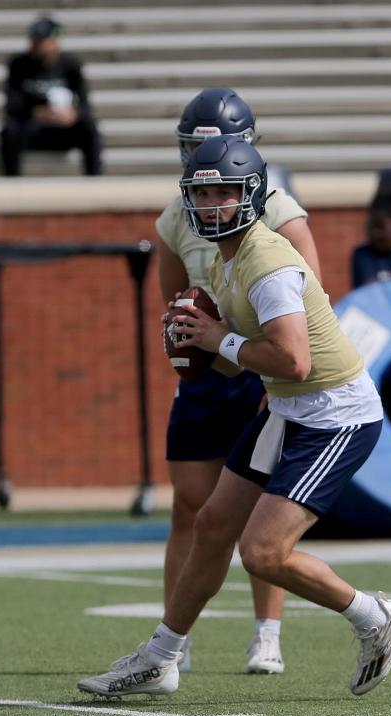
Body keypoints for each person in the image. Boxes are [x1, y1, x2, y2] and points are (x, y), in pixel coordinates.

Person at [78, 135, 391, 699]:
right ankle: (161, 658)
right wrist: (199, 346)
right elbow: (242, 366)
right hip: (286, 406)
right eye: (201, 193)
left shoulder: (265, 260)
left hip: (333, 413)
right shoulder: (225, 258)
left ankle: (373, 616)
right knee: (210, 526)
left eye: (222, 193)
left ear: (250, 195)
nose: (210, 205)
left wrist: (219, 338)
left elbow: (295, 359)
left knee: (261, 552)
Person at [157, 87, 323, 675]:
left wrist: (232, 338)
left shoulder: (281, 213)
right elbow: (173, 300)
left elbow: (307, 304)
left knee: (263, 513)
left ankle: (268, 633)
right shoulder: (176, 216)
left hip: (262, 374)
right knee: (190, 509)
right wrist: (188, 335)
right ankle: (175, 638)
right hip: (209, 376)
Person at [0, 16, 102, 176]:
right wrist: (37, 113)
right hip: (34, 128)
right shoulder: (18, 64)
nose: (35, 44)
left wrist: (72, 115)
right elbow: (12, 105)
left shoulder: (71, 64)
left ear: (54, 41)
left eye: (41, 40)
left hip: (63, 129)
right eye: (34, 39)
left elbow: (85, 104)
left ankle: (95, 179)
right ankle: (12, 182)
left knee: (89, 127)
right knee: (9, 131)